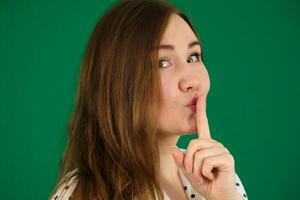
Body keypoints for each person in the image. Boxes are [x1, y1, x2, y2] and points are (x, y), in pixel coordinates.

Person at [48, 0, 248, 199]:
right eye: (162, 62)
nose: (192, 81)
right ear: (120, 83)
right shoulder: (84, 193)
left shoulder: (218, 178)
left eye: (193, 57)